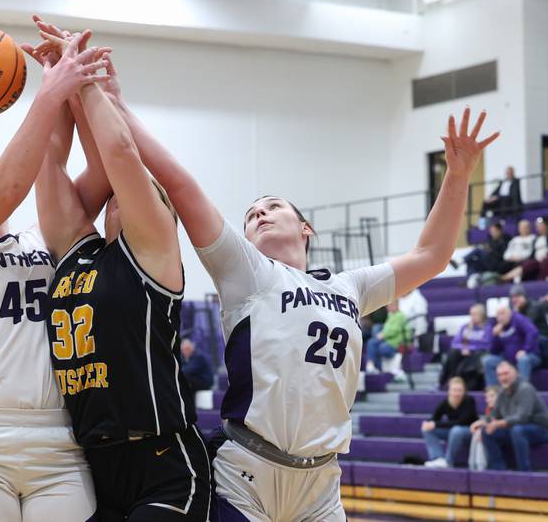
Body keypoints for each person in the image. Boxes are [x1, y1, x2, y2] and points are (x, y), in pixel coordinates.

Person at [94, 42, 497, 519]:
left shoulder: (350, 287)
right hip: (247, 472)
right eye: (251, 214)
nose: (260, 214)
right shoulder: (246, 271)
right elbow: (181, 185)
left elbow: (432, 255)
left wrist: (457, 175)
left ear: (306, 228)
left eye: (273, 207)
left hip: (320, 482)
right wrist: (117, 106)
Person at [30, 23, 211, 521]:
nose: (118, 195)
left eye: (138, 194)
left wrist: (85, 81)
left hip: (163, 462)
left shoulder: (154, 253)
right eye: (112, 195)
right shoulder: (76, 251)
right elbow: (47, 164)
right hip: (91, 463)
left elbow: (121, 154)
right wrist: (55, 83)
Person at [0, 32, 109, 521]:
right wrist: (48, 90)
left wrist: (70, 84)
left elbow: (83, 168)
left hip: (61, 442)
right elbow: (5, 192)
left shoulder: (46, 238)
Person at [478, 361, 548, 471]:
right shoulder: (502, 392)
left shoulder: (525, 388)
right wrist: (482, 423)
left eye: (506, 374)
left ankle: (523, 472)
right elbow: (494, 414)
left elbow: (522, 417)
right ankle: (499, 471)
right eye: (500, 375)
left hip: (542, 429)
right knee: (487, 431)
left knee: (518, 430)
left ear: (515, 374)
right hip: (516, 429)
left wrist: (498, 423)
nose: (503, 378)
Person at [421, 377, 478, 468]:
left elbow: (461, 422)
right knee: (427, 429)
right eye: (454, 390)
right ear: (449, 391)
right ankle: (437, 458)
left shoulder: (469, 400)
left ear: (464, 391)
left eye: (460, 390)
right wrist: (428, 423)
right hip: (453, 432)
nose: (457, 393)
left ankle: (448, 462)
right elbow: (434, 419)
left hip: (470, 432)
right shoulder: (445, 402)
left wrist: (435, 424)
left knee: (456, 430)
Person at [482, 305, 541, 387]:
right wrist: (495, 336)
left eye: (503, 314)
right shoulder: (496, 325)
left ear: (510, 313)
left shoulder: (519, 319)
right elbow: (493, 351)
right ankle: (494, 391)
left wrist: (525, 350)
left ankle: (522, 390)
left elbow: (533, 332)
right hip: (508, 359)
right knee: (488, 361)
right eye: (498, 315)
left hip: (530, 355)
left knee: (523, 360)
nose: (500, 317)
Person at [439, 304, 491, 390]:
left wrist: (469, 348)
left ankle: (464, 384)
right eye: (471, 314)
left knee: (477, 355)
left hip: (477, 354)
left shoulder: (487, 328)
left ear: (482, 315)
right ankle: (447, 381)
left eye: (475, 314)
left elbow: (486, 345)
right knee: (453, 353)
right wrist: (463, 348)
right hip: (463, 353)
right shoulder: (465, 327)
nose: (472, 317)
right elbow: (454, 343)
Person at [501, 216, 548, 282]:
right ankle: (505, 278)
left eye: (540, 226)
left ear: (546, 225)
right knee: (529, 263)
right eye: (537, 226)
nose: (538, 228)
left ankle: (544, 282)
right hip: (536, 260)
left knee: (544, 262)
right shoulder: (537, 239)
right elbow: (532, 253)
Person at [364, 301, 410, 377]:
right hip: (387, 340)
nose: (387, 307)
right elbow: (387, 328)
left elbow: (394, 330)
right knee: (371, 343)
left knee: (380, 347)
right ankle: (371, 366)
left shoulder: (400, 316)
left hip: (395, 342)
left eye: (389, 306)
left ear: (396, 306)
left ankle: (376, 367)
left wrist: (383, 335)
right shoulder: (391, 315)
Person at [463, 222, 510, 287]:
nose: (492, 233)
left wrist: (491, 250)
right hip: (488, 261)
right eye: (491, 231)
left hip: (498, 263)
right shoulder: (491, 240)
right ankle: (472, 278)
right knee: (471, 261)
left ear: (499, 231)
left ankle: (460, 261)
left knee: (478, 249)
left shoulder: (506, 239)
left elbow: (504, 255)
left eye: (494, 231)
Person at [468, 385, 499, 471]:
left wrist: (481, 423)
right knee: (478, 433)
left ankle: (480, 467)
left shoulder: (503, 407)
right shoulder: (489, 408)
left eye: (492, 396)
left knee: (481, 434)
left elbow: (497, 423)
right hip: (490, 433)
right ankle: (472, 465)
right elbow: (488, 422)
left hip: (502, 434)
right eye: (487, 397)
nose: (489, 399)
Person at [180, 338, 215, 407]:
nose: (185, 352)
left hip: (205, 382)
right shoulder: (186, 358)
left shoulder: (198, 357)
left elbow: (188, 370)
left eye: (187, 349)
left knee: (185, 378)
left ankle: (189, 405)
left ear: (191, 348)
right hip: (196, 381)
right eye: (183, 350)